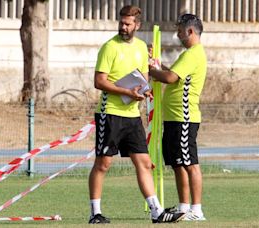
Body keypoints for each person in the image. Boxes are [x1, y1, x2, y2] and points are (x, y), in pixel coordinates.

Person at [88, 5, 186, 224]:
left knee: (143, 162)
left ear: (137, 25)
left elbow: (142, 78)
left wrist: (144, 91)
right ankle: (95, 213)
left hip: (133, 116)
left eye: (128, 23)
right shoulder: (109, 48)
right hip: (110, 114)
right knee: (103, 164)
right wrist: (125, 91)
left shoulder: (142, 47)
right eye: (121, 22)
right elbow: (99, 81)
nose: (123, 27)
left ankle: (156, 211)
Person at [148, 13, 207, 221]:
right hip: (173, 118)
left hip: (184, 117)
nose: (178, 34)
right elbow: (172, 73)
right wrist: (155, 65)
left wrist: (151, 70)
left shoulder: (194, 54)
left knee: (190, 164)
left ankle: (197, 210)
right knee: (177, 163)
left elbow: (170, 78)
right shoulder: (187, 55)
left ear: (190, 31)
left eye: (180, 31)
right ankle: (184, 208)